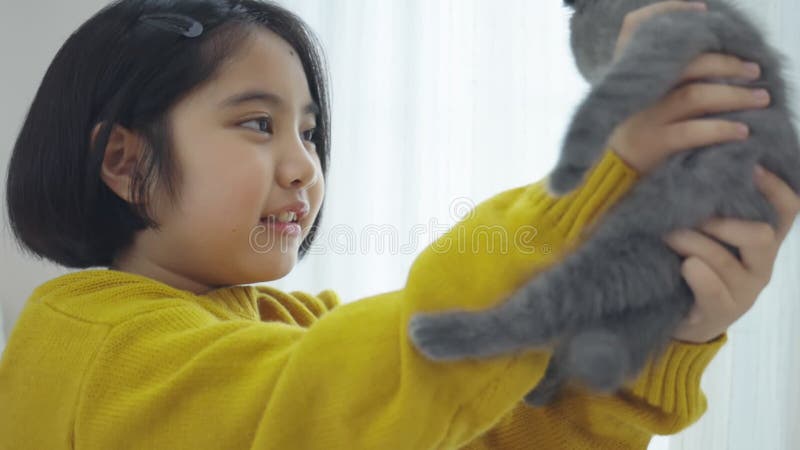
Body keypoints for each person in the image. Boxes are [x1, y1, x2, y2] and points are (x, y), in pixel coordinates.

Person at [1, 0, 797, 448]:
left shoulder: (293, 325)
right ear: (123, 162)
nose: (303, 165)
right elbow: (365, 391)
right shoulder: (94, 349)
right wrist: (590, 197)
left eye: (309, 132)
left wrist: (671, 328)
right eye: (256, 124)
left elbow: (486, 432)